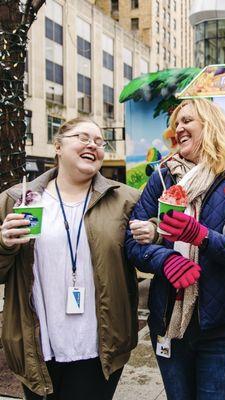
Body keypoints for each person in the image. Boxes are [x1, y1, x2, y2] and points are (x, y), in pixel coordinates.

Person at [125, 98, 225, 400]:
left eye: (187, 121)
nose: (178, 128)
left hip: (224, 330)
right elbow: (131, 243)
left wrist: (204, 237)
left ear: (210, 126)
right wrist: (164, 258)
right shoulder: (162, 177)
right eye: (176, 123)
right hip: (168, 322)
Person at [0, 117, 140, 399]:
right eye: (83, 138)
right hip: (37, 346)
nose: (93, 146)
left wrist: (155, 234)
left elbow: (149, 254)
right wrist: (4, 244)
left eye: (100, 142)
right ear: (58, 146)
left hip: (100, 346)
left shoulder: (125, 199)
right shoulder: (17, 199)